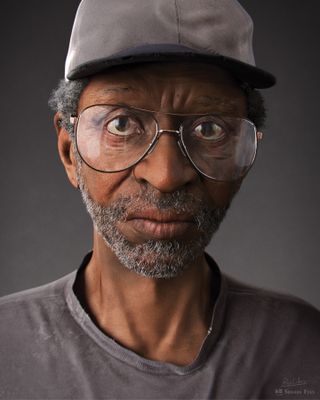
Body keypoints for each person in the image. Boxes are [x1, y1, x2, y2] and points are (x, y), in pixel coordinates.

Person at [0, 0, 319, 399]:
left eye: (209, 128)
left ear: (246, 153)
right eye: (121, 123)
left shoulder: (305, 350)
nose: (166, 176)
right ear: (70, 152)